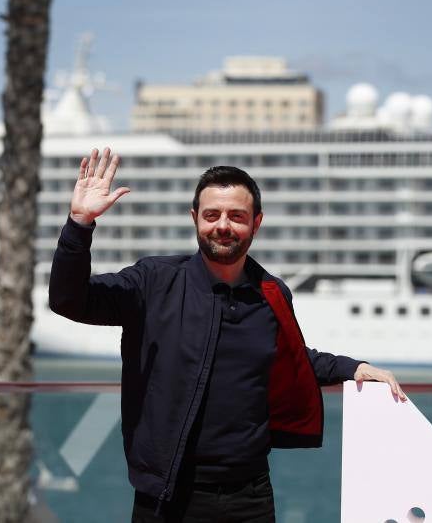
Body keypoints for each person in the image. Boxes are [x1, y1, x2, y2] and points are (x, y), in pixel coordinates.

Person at [49, 148, 407, 522]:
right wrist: (79, 223)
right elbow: (68, 300)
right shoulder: (154, 281)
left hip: (249, 497)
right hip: (168, 497)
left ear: (256, 223)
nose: (223, 225)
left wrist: (355, 368)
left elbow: (293, 357)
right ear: (195, 219)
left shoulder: (272, 293)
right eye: (211, 215)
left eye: (237, 216)